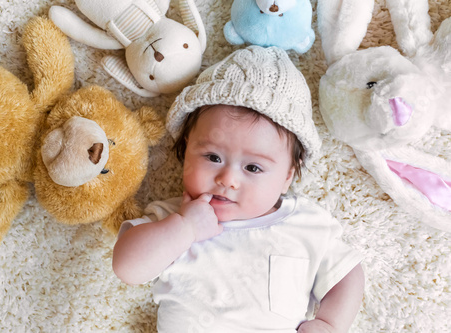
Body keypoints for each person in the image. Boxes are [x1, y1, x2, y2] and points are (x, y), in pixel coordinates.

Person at [113, 46, 364, 333]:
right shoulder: (174, 218)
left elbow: (348, 273)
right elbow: (127, 268)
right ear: (185, 153)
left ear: (287, 177)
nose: (228, 179)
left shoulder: (305, 224)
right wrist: (185, 228)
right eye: (212, 157)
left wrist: (330, 323)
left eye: (253, 168)